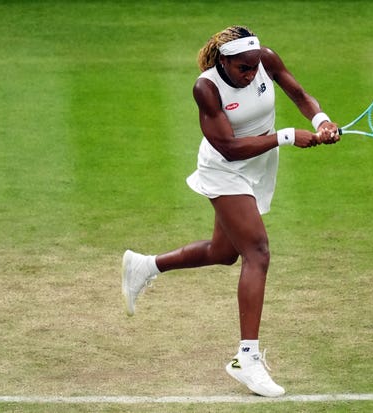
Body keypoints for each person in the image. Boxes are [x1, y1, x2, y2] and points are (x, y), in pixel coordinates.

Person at [122, 25, 339, 397]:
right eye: (243, 68)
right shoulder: (206, 88)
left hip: (257, 166)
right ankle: (246, 358)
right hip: (225, 168)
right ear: (224, 60)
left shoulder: (265, 59)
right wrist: (287, 136)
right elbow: (228, 147)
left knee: (223, 253)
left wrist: (321, 121)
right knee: (257, 253)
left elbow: (300, 94)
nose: (252, 73)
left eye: (255, 67)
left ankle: (145, 265)